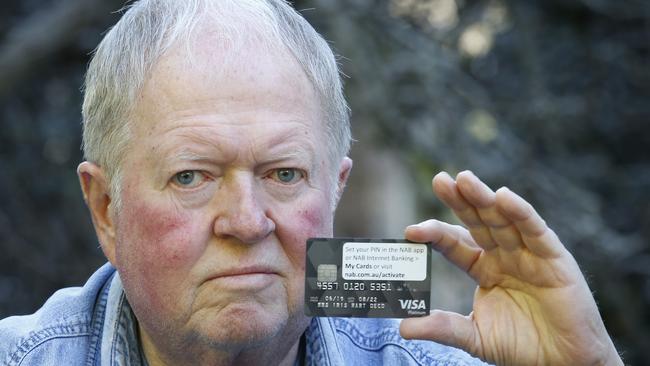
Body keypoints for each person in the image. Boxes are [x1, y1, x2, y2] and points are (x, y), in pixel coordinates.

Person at [0, 0, 623, 365]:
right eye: (191, 177)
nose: (247, 221)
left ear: (336, 190)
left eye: (285, 175)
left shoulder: (416, 355)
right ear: (105, 209)